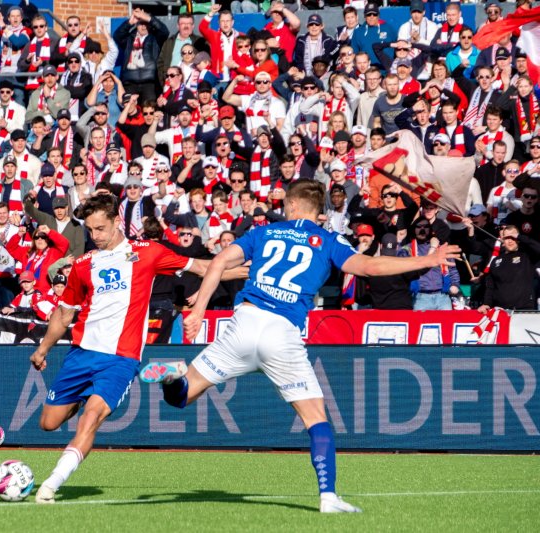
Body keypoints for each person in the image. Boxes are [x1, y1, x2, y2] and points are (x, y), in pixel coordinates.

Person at [140, 179, 460, 513]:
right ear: (318, 211)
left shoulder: (264, 232)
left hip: (244, 324)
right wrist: (425, 260)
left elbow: (219, 263)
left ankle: (172, 375)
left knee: (182, 396)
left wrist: (200, 310)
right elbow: (369, 267)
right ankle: (328, 498)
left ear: (291, 206)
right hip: (282, 333)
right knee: (315, 418)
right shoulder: (328, 241)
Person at [28, 193, 243, 504]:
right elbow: (65, 314)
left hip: (121, 358)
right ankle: (81, 396)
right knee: (48, 424)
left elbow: (202, 267)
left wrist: (249, 271)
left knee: (92, 418)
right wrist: (43, 349)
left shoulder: (148, 252)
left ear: (117, 222)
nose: (94, 236)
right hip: (81, 354)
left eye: (100, 228)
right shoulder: (83, 265)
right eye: (89, 230)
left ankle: (52, 483)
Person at [478, 225, 540, 313]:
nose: (510, 241)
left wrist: (520, 236)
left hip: (524, 310)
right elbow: (490, 286)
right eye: (507, 238)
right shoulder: (495, 261)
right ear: (502, 240)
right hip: (501, 311)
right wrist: (486, 303)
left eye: (513, 237)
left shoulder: (527, 255)